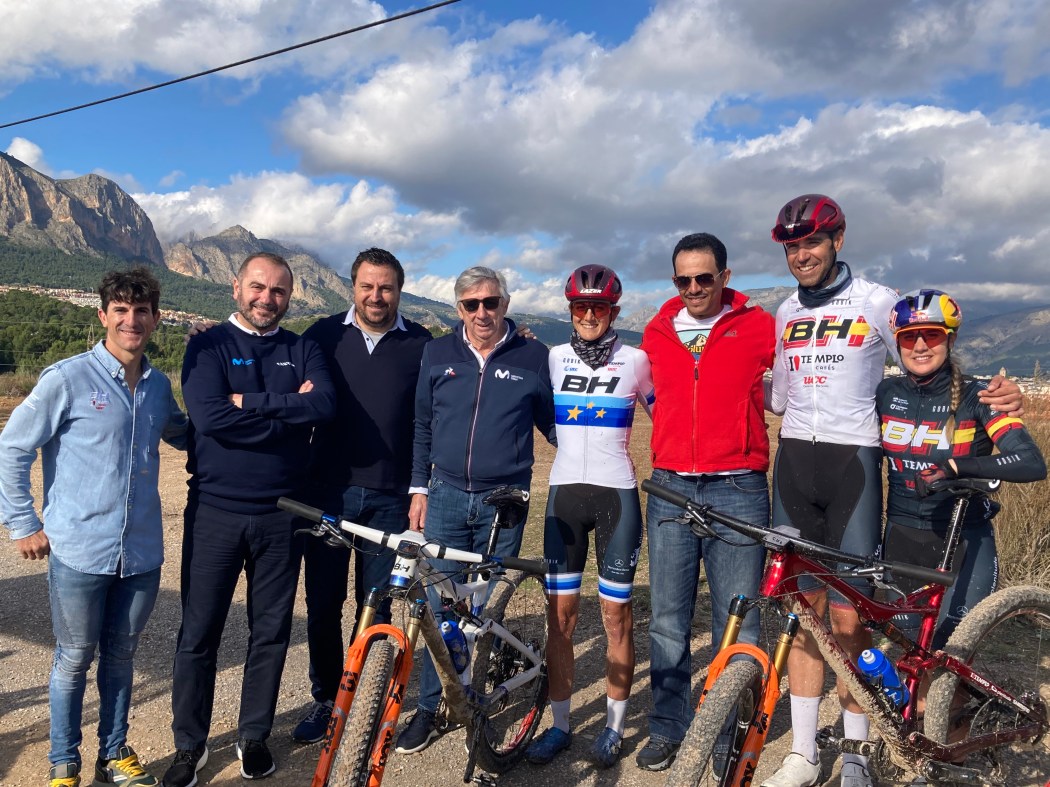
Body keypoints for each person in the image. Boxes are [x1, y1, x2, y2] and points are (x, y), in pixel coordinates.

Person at [763, 195, 1022, 787]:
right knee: (803, 613)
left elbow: (926, 359)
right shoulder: (784, 310)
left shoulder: (877, 301)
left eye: (812, 242)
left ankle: (856, 755)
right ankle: (803, 754)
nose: (801, 254)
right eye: (792, 246)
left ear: (838, 240)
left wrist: (991, 393)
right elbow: (778, 395)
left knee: (849, 617)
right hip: (794, 463)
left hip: (853, 465)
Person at [0, 268, 187, 787]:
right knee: (74, 659)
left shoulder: (158, 387)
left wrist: (242, 404)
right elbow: (12, 447)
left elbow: (186, 435)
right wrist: (23, 523)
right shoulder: (67, 379)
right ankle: (64, 763)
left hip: (141, 553)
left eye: (142, 311)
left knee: (121, 658)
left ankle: (113, 756)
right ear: (103, 315)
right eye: (121, 310)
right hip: (80, 551)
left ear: (156, 318)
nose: (132, 320)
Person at [162, 252, 336, 786]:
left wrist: (249, 401)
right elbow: (211, 418)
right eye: (258, 287)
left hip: (282, 516)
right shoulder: (207, 344)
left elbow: (324, 405)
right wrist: (286, 411)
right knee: (199, 633)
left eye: (279, 291)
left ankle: (253, 736)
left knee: (271, 632)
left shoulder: (303, 348)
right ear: (236, 287)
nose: (267, 298)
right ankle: (189, 745)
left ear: (290, 297)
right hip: (214, 511)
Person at [394, 265, 556, 754]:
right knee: (440, 608)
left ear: (505, 303)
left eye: (491, 302)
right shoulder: (437, 352)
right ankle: (431, 708)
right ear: (458, 308)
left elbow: (555, 427)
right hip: (444, 494)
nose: (482, 312)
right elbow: (423, 425)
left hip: (501, 502)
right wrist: (418, 488)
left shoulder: (534, 356)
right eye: (471, 304)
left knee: (483, 609)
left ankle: (480, 699)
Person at [637, 233, 775, 772]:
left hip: (738, 488)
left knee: (737, 619)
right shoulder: (656, 330)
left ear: (725, 276)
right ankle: (667, 725)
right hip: (671, 487)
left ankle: (725, 731)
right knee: (667, 618)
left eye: (704, 278)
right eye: (683, 279)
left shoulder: (759, 326)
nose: (693, 288)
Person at [289, 248, 433, 743]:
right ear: (352, 287)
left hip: (391, 497)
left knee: (377, 605)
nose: (376, 296)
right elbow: (271, 368)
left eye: (386, 287)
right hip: (328, 491)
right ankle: (327, 699)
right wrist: (210, 336)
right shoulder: (322, 335)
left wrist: (516, 336)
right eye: (367, 286)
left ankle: (363, 699)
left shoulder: (422, 343)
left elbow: (433, 413)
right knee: (323, 602)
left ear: (399, 290)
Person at [524, 265, 654, 768]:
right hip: (565, 498)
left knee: (616, 616)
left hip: (616, 495)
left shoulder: (636, 360)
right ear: (571, 310)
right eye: (581, 307)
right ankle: (560, 725)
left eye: (599, 307)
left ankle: (614, 726)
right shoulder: (553, 357)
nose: (589, 315)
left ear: (613, 311)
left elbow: (668, 417)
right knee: (560, 617)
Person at [878, 289, 1045, 647]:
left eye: (932, 334)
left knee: (950, 648)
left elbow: (1030, 461)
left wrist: (955, 466)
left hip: (965, 539)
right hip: (901, 536)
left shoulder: (979, 396)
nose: (920, 345)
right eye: (909, 337)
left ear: (950, 340)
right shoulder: (886, 393)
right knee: (908, 649)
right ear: (898, 343)